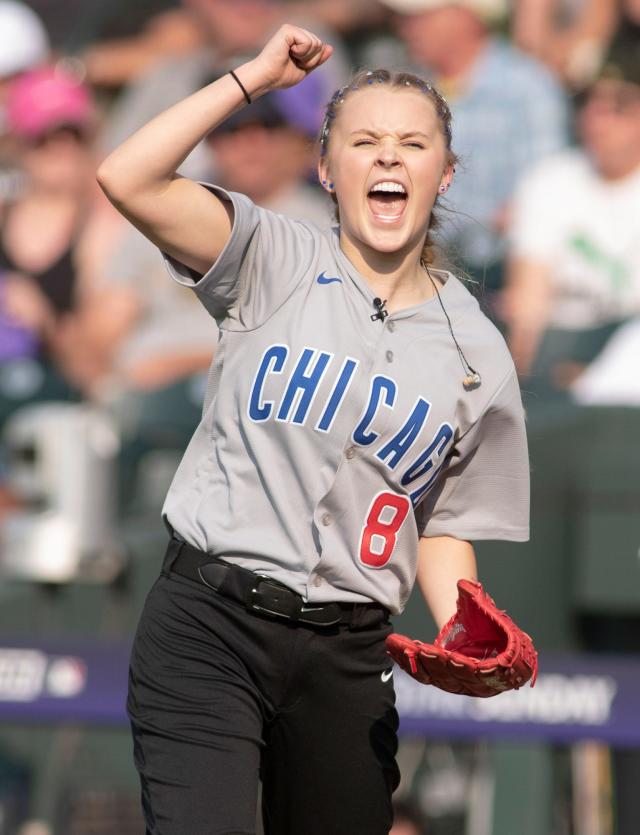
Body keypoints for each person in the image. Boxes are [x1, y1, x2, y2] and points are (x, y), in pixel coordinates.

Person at [97, 24, 530, 834]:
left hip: (348, 654)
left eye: (413, 143)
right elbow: (127, 176)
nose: (391, 157)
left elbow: (442, 518)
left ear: (446, 171)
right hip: (210, 621)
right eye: (365, 141)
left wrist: (463, 617)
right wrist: (251, 80)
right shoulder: (270, 254)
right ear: (327, 169)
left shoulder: (479, 350)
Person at [378, 0, 569, 294]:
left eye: (420, 17)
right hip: (420, 269)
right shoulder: (406, 88)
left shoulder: (528, 87)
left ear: (467, 17)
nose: (405, 27)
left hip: (502, 279)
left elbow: (543, 201)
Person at [502, 54, 640, 396]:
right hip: (560, 338)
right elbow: (529, 302)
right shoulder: (551, 179)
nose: (598, 117)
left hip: (626, 340)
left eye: (619, 106)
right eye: (590, 101)